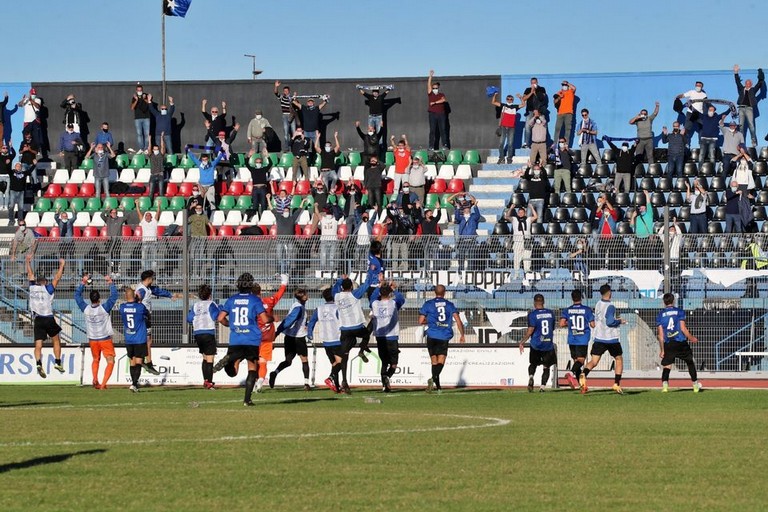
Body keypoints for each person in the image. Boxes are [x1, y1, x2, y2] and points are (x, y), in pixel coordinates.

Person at [214, 273, 269, 406]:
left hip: (236, 338)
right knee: (252, 368)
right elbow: (265, 320)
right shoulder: (255, 300)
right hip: (251, 338)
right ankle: (247, 400)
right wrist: (273, 318)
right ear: (251, 285)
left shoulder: (231, 300)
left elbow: (220, 318)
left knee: (233, 373)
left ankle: (230, 358)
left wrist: (229, 324)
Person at [580, 284, 627, 394]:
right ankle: (616, 384)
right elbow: (610, 322)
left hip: (599, 337)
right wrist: (620, 321)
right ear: (610, 292)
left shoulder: (598, 304)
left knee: (594, 361)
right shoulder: (610, 306)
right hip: (611, 338)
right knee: (619, 359)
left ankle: (584, 374)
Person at [332, 274, 374, 393]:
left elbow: (335, 286)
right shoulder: (354, 294)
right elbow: (366, 285)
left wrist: (341, 279)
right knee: (367, 332)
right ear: (351, 286)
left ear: (341, 287)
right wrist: (372, 273)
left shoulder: (336, 295)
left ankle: (344, 381)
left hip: (345, 329)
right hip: (356, 326)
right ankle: (362, 349)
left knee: (345, 355)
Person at [75, 273, 118, 389]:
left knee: (95, 359)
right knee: (110, 360)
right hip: (105, 339)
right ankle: (103, 384)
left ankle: (95, 378)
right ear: (99, 299)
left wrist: (83, 283)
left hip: (93, 339)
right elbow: (114, 296)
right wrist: (110, 282)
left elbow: (77, 296)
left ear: (90, 299)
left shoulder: (86, 309)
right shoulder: (104, 308)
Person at [419, 284, 465, 392]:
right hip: (444, 336)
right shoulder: (450, 305)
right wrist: (462, 335)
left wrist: (431, 322)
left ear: (435, 292)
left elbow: (421, 321)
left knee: (434, 362)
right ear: (444, 292)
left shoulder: (428, 304)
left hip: (431, 335)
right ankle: (433, 380)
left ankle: (437, 385)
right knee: (441, 362)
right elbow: (458, 321)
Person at [26, 256, 66, 379]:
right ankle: (57, 362)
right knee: (56, 340)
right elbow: (57, 278)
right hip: (48, 318)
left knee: (38, 344)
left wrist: (27, 261)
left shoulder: (32, 288)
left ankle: (38, 363)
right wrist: (62, 266)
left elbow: (30, 274)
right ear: (45, 283)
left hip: (37, 319)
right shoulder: (48, 289)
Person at [135, 269, 181, 375]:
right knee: (148, 340)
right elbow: (137, 298)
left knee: (146, 340)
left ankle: (143, 361)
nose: (153, 280)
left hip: (144, 317)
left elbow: (158, 291)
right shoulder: (142, 290)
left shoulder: (147, 288)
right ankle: (148, 363)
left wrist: (170, 295)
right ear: (149, 279)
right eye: (152, 278)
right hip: (143, 318)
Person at [656, 293, 701, 392]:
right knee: (690, 362)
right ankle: (695, 384)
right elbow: (683, 328)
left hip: (669, 343)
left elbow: (660, 334)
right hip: (680, 342)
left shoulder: (660, 315)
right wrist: (691, 337)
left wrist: (662, 350)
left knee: (667, 365)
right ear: (673, 301)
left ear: (664, 302)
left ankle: (665, 386)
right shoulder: (679, 312)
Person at [252, 274, 289, 393]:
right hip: (267, 336)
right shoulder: (268, 301)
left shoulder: (250, 305)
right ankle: (260, 381)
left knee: (253, 362)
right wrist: (284, 283)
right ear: (260, 292)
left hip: (253, 336)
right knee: (263, 362)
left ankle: (254, 381)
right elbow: (278, 295)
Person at [370, 282, 405, 392]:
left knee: (384, 362)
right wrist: (394, 289)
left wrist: (379, 287)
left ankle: (385, 385)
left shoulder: (375, 304)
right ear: (390, 294)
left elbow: (372, 298)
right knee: (394, 364)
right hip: (392, 337)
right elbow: (401, 299)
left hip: (380, 337)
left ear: (380, 293)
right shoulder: (393, 304)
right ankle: (387, 377)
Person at [272, 288, 310, 390]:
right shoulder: (299, 308)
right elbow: (289, 320)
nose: (307, 295)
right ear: (303, 296)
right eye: (306, 294)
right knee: (304, 359)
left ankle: (274, 373)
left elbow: (296, 321)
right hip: (298, 337)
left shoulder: (296, 306)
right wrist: (277, 332)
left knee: (288, 361)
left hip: (289, 337)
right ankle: (306, 384)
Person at [518, 294, 557, 393]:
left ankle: (531, 377)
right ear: (543, 302)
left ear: (534, 303)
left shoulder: (532, 315)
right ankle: (542, 387)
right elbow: (552, 328)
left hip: (536, 344)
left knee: (533, 364)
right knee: (546, 367)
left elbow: (530, 330)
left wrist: (522, 341)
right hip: (548, 345)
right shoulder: (551, 313)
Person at [307, 287, 343, 393]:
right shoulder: (337, 308)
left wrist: (310, 334)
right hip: (336, 339)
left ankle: (337, 388)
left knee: (334, 364)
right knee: (341, 363)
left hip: (326, 341)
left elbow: (312, 322)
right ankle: (330, 378)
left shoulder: (319, 308)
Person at [559, 289, 595, 390]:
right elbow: (593, 325)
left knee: (576, 362)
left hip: (572, 339)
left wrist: (569, 323)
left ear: (572, 298)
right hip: (582, 339)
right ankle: (570, 373)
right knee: (581, 361)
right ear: (581, 297)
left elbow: (561, 324)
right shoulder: (587, 310)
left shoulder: (567, 310)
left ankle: (581, 385)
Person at [186, 284, 220, 390]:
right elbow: (215, 316)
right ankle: (209, 383)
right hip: (208, 332)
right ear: (210, 295)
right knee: (210, 358)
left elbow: (189, 318)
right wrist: (221, 309)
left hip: (197, 333)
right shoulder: (212, 304)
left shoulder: (196, 305)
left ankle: (205, 381)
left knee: (205, 357)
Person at [119, 287, 151, 392]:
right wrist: (139, 300)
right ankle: (134, 384)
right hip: (139, 338)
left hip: (129, 338)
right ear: (135, 296)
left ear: (125, 296)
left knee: (132, 361)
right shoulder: (140, 307)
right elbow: (147, 315)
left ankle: (133, 384)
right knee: (139, 361)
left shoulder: (122, 307)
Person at [734, 65, 765, 147]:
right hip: (741, 108)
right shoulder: (741, 89)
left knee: (751, 125)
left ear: (751, 84)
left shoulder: (753, 90)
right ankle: (741, 142)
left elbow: (760, 82)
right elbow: (737, 82)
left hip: (749, 108)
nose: (748, 84)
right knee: (741, 126)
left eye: (749, 83)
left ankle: (753, 141)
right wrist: (736, 72)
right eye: (747, 83)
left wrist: (760, 71)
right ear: (745, 84)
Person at [505, 205, 536, 279]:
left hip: (527, 241)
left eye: (522, 212)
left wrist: (532, 208)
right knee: (516, 259)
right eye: (519, 212)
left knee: (527, 259)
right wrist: (511, 208)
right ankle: (516, 274)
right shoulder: (514, 219)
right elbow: (506, 217)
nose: (520, 214)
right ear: (517, 213)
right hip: (517, 242)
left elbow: (535, 216)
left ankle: (527, 274)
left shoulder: (528, 219)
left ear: (525, 213)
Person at [518, 77, 548, 149]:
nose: (533, 84)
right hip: (530, 111)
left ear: (537, 82)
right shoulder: (528, 89)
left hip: (540, 111)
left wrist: (535, 92)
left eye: (534, 82)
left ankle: (543, 143)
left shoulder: (542, 89)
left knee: (542, 126)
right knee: (527, 127)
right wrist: (531, 92)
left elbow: (542, 98)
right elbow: (524, 99)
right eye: (532, 83)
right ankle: (526, 143)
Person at [491, 93, 520, 164]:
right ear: (506, 99)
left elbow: (523, 105)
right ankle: (501, 157)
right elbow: (493, 102)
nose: (509, 100)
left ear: (513, 100)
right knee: (501, 143)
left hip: (511, 128)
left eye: (511, 99)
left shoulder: (515, 107)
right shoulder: (503, 105)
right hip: (503, 126)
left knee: (510, 144)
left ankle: (509, 158)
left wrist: (520, 97)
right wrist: (495, 95)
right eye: (508, 99)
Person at [188, 204, 214, 278]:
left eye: (200, 208)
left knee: (200, 256)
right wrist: (191, 207)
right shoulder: (192, 217)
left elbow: (209, 224)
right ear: (195, 209)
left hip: (202, 237)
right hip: (194, 237)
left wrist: (213, 233)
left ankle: (198, 274)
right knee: (192, 256)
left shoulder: (204, 217)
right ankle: (191, 273)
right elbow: (186, 221)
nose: (199, 209)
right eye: (197, 208)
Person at [136, 199, 162, 270]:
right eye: (146, 216)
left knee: (153, 258)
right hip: (145, 242)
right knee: (144, 258)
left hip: (153, 242)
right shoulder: (143, 222)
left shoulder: (154, 221)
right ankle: (145, 270)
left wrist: (159, 205)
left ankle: (153, 270)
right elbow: (138, 212)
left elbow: (158, 212)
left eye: (149, 215)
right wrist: (137, 204)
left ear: (151, 217)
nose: (147, 217)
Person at [245, 147, 273, 214]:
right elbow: (246, 164)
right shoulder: (253, 169)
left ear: (262, 163)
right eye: (257, 162)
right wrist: (249, 156)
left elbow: (270, 164)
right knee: (255, 205)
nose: (258, 163)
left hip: (263, 188)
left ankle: (263, 218)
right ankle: (255, 218)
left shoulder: (264, 169)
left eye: (260, 162)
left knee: (264, 204)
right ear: (255, 163)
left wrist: (267, 156)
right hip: (255, 188)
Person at [427, 70, 449, 150]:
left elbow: (443, 100)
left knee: (442, 129)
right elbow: (428, 85)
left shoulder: (441, 94)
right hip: (432, 114)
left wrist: (435, 102)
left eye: (436, 88)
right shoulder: (430, 93)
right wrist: (430, 76)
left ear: (438, 88)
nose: (435, 89)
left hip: (441, 114)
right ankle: (431, 146)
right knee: (432, 130)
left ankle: (445, 145)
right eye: (434, 88)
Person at [101, 207, 127, 276]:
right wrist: (105, 210)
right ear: (110, 213)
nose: (114, 214)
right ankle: (112, 271)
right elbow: (102, 215)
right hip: (110, 240)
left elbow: (127, 216)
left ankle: (118, 270)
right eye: (112, 212)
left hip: (118, 240)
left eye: (115, 212)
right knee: (111, 255)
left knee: (117, 254)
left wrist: (123, 210)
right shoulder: (108, 219)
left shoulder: (120, 219)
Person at [274, 81, 297, 150]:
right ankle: (287, 148)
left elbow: (296, 104)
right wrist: (276, 86)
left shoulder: (291, 97)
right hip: (285, 116)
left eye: (286, 91)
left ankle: (294, 147)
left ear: (289, 91)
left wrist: (295, 97)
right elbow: (276, 93)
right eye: (284, 91)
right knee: (286, 133)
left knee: (293, 132)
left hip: (292, 116)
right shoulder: (282, 97)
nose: (285, 92)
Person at [553, 80, 577, 145]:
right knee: (557, 129)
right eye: (563, 85)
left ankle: (566, 145)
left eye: (565, 85)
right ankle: (555, 144)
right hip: (560, 113)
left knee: (567, 130)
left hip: (569, 113)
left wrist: (568, 83)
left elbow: (574, 88)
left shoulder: (571, 91)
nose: (564, 86)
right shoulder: (559, 92)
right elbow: (554, 102)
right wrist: (559, 98)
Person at [130, 84, 151, 153]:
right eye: (138, 90)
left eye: (140, 90)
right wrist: (136, 100)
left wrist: (144, 98)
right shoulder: (134, 97)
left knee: (147, 134)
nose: (139, 91)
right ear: (136, 90)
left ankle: (146, 149)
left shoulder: (146, 95)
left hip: (146, 118)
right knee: (139, 134)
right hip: (138, 118)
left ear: (142, 90)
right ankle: (141, 148)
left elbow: (149, 103)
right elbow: (132, 108)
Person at [0, 143, 17, 209]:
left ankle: (6, 205)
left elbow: (14, 154)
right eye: (3, 148)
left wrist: (11, 146)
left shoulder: (10, 156)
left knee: (7, 192)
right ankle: (1, 205)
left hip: (7, 176)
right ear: (1, 150)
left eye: (6, 148)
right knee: (0, 192)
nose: (5, 149)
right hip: (0, 176)